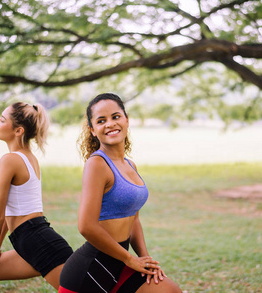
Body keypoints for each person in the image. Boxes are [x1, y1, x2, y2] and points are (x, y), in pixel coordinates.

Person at [58, 93, 181, 293]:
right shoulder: (96, 164)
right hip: (90, 273)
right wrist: (129, 259)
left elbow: (134, 220)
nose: (110, 124)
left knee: (170, 290)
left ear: (126, 120)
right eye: (101, 120)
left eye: (115, 117)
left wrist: (145, 261)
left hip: (119, 266)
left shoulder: (130, 165)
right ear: (93, 130)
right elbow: (86, 226)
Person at [0, 102, 73, 292]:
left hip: (38, 243)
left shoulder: (10, 160)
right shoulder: (28, 158)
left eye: (2, 119)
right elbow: (12, 210)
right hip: (30, 241)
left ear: (18, 131)